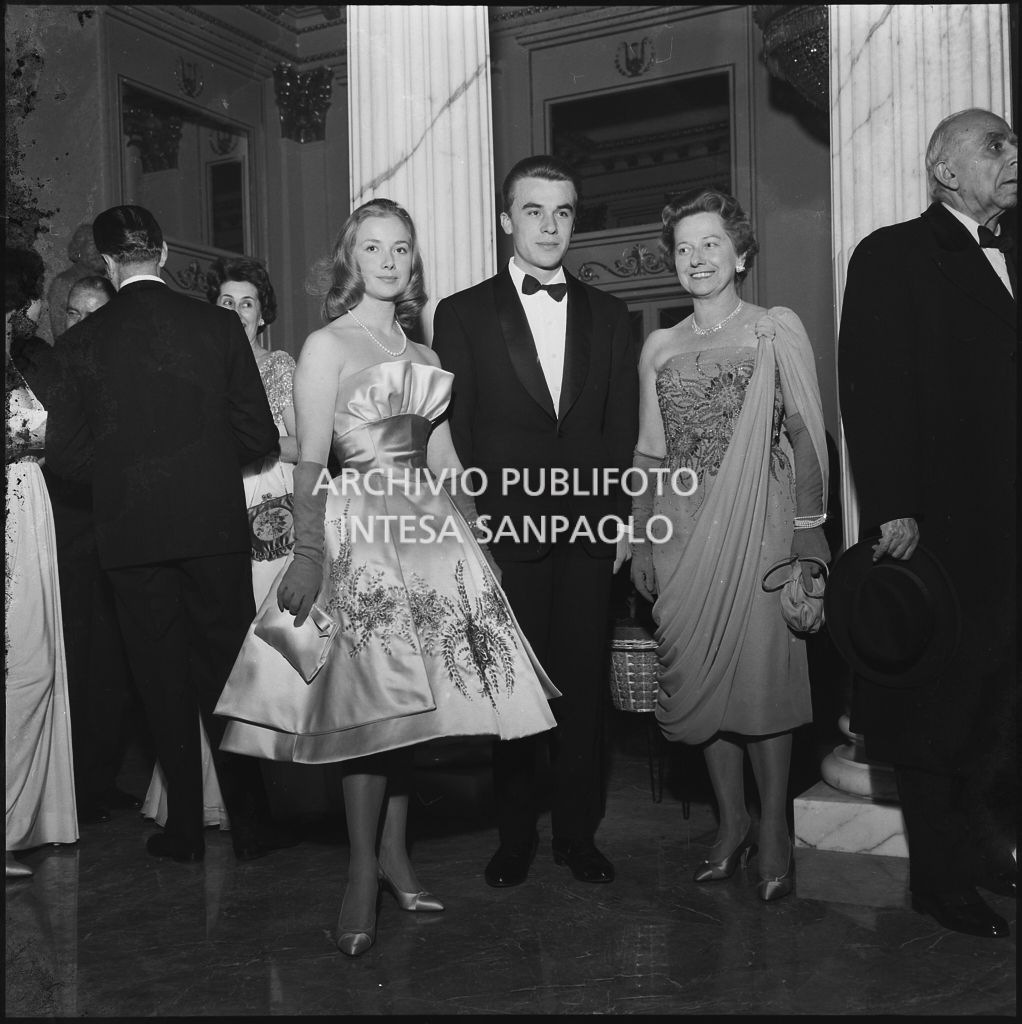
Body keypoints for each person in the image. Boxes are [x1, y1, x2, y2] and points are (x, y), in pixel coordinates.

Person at [214, 197, 559, 956]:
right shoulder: (326, 345)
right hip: (361, 534)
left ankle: (398, 858)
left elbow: (444, 458)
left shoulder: (426, 357)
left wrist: (478, 534)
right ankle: (360, 874)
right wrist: (309, 555)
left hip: (430, 537)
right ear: (352, 259)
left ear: (413, 260)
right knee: (370, 714)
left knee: (413, 716)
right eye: (373, 247)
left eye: (400, 247)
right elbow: (310, 461)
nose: (389, 260)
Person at [43, 205, 294, 865]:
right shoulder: (216, 325)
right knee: (229, 673)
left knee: (159, 681)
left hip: (130, 534)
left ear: (107, 263)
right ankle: (252, 826)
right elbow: (259, 436)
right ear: (161, 252)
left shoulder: (80, 343)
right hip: (213, 525)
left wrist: (128, 478)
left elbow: (65, 457)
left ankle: (184, 829)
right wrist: (201, 470)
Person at [432, 156, 639, 889]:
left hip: (588, 531)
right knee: (513, 689)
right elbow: (455, 430)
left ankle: (578, 837)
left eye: (563, 212)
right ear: (505, 220)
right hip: (505, 534)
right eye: (533, 210)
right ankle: (514, 838)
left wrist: (619, 520)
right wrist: (472, 528)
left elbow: (620, 427)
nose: (550, 226)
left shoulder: (611, 315)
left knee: (583, 689)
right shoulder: (460, 313)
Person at [837, 108, 1017, 938]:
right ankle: (938, 882)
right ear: (945, 169)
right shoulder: (892, 253)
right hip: (942, 529)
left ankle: (982, 851)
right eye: (995, 145)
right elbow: (870, 387)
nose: (1013, 155)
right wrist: (892, 506)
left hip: (1011, 527)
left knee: (1000, 702)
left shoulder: (1011, 250)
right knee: (937, 709)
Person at [630, 188, 829, 903]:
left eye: (710, 243)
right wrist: (641, 535)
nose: (697, 258)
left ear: (740, 253)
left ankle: (774, 826)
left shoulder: (774, 329)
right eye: (684, 248)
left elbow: (806, 434)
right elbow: (649, 450)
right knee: (702, 683)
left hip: (763, 527)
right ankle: (732, 821)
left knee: (761, 681)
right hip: (682, 530)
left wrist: (809, 534)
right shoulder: (659, 346)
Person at [142, 256, 298, 831]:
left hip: (275, 505)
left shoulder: (280, 367)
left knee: (279, 639)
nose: (236, 312)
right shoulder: (195, 370)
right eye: (226, 303)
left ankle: (286, 792)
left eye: (247, 303)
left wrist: (249, 441)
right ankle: (228, 798)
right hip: (213, 505)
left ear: (263, 315)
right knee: (223, 648)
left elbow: (306, 442)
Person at [12, 269, 138, 827]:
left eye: (95, 313)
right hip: (57, 528)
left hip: (117, 527)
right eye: (73, 312)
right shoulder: (40, 367)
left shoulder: (130, 370)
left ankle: (99, 780)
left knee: (113, 658)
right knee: (67, 655)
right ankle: (67, 788)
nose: (83, 322)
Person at [5, 246, 78, 879]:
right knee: (22, 666)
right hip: (12, 516)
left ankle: (17, 822)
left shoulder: (24, 366)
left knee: (33, 662)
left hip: (31, 513)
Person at [46, 223, 108, 340]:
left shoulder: (108, 282)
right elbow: (60, 333)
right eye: (92, 244)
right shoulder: (64, 282)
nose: (98, 250)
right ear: (78, 249)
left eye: (101, 244)